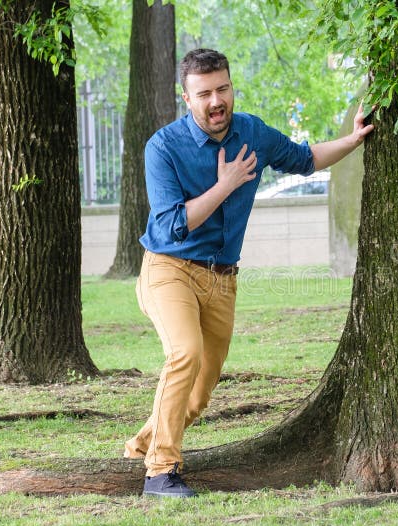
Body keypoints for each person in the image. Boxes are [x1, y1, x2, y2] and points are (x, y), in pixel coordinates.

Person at [124, 48, 373, 498]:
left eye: (222, 89)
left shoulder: (251, 132)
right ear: (187, 98)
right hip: (169, 269)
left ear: (231, 88)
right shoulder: (163, 147)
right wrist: (225, 184)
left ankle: (141, 445)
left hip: (222, 279)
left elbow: (304, 158)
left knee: (198, 396)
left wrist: (352, 141)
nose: (215, 101)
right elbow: (170, 226)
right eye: (204, 94)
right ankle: (160, 473)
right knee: (184, 353)